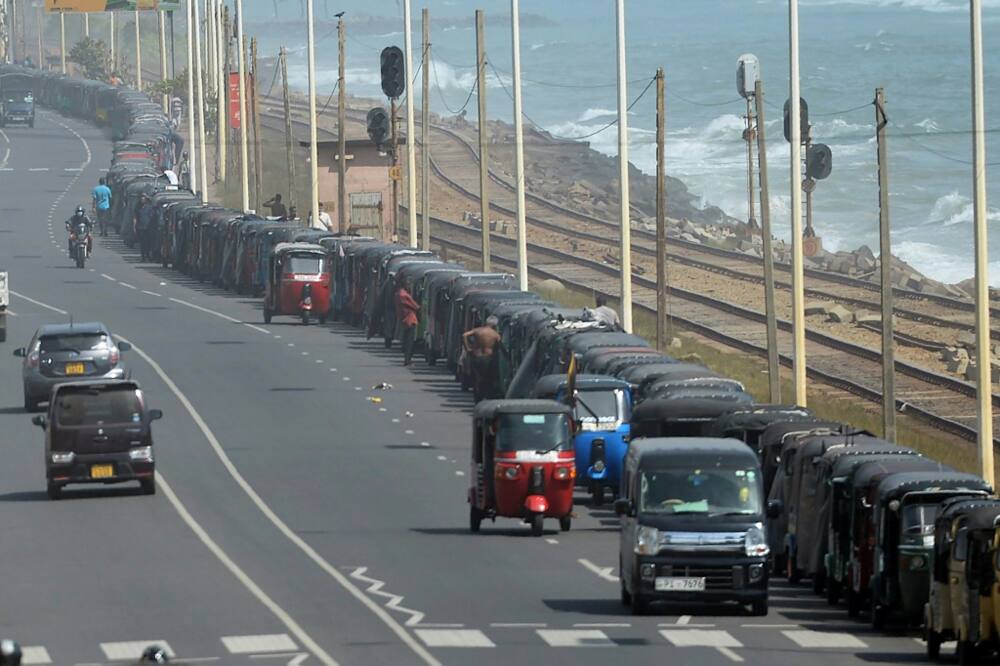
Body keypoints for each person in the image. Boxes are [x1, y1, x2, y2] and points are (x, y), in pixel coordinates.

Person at [462, 315, 502, 401]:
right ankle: (486, 395)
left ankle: (477, 396)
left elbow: (465, 335)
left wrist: (468, 348)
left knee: (477, 378)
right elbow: (500, 346)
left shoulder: (478, 330)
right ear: (495, 325)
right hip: (488, 358)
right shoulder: (495, 334)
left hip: (477, 357)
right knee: (488, 378)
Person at [395, 278, 420, 366]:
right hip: (410, 319)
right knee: (409, 342)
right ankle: (407, 360)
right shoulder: (404, 295)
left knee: (406, 341)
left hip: (403, 319)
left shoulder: (398, 294)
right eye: (408, 284)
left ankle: (407, 359)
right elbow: (416, 306)